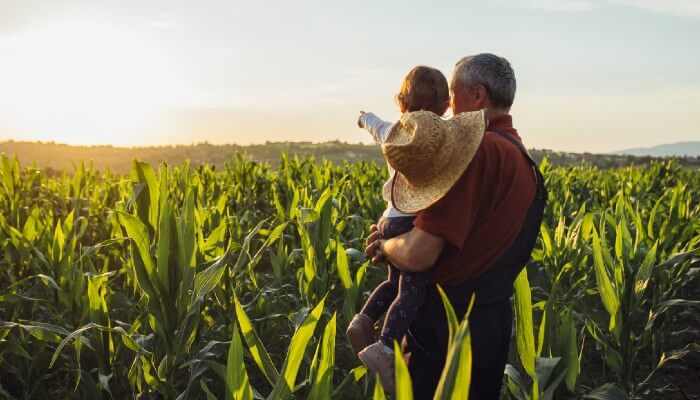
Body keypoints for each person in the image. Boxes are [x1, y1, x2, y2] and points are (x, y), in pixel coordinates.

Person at [365, 53, 547, 399]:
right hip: (489, 326)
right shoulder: (520, 156)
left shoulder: (475, 152)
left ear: (477, 96)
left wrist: (385, 246)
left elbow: (418, 254)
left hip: (445, 330)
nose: (448, 103)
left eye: (453, 92)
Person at [347, 65, 485, 393]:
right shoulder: (441, 140)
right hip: (411, 220)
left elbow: (374, 125)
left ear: (403, 103)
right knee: (411, 291)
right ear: (445, 106)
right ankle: (384, 347)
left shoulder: (394, 134)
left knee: (392, 285)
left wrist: (364, 116)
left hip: (388, 218)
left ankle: (362, 320)